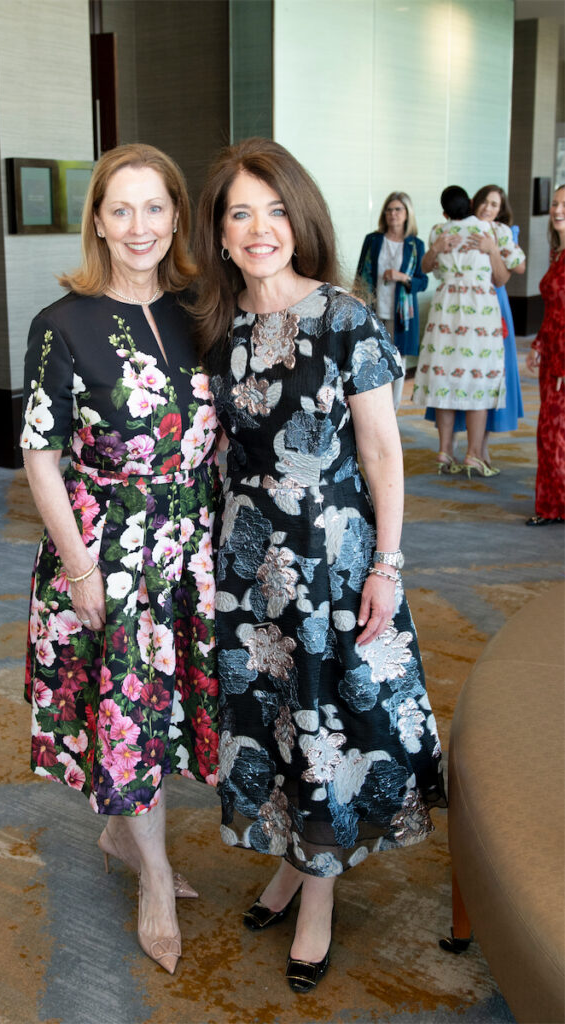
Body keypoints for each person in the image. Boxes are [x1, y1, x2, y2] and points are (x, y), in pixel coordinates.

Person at [191, 138, 445, 994]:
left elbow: (381, 455)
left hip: (332, 559)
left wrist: (387, 566)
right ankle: (292, 863)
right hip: (248, 556)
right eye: (239, 213)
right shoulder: (217, 328)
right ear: (220, 233)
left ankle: (317, 898)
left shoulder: (346, 317)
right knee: (270, 719)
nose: (258, 229)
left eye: (273, 210)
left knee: (325, 722)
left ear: (298, 220)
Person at [20, 143, 220, 976]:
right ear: (97, 220)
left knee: (172, 709)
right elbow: (40, 454)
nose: (139, 227)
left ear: (176, 215)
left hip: (194, 542)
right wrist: (79, 570)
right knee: (131, 711)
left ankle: (120, 833)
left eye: (154, 208)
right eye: (120, 209)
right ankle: (158, 881)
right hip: (110, 546)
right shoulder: (61, 324)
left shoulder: (203, 308)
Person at [413, 186, 524, 476]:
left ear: (444, 212)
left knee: (445, 381)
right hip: (480, 315)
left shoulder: (439, 230)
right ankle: (474, 454)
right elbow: (505, 276)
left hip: (445, 314)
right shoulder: (494, 232)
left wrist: (436, 249)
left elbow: (425, 268)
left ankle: (444, 452)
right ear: (472, 203)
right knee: (480, 381)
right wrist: (492, 251)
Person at [355, 192, 428, 407]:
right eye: (389, 210)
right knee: (372, 358)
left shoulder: (415, 245)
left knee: (398, 362)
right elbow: (360, 276)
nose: (393, 214)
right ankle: (374, 407)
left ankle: (392, 411)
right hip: (374, 309)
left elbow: (422, 282)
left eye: (398, 209)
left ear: (407, 214)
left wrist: (402, 277)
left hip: (402, 314)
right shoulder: (373, 240)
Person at [525, 184, 565, 525]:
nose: (557, 210)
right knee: (549, 432)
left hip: (563, 361)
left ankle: (556, 504)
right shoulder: (558, 255)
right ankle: (552, 504)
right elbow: (555, 310)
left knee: (556, 433)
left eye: (564, 205)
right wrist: (539, 344)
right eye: (554, 203)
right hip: (552, 356)